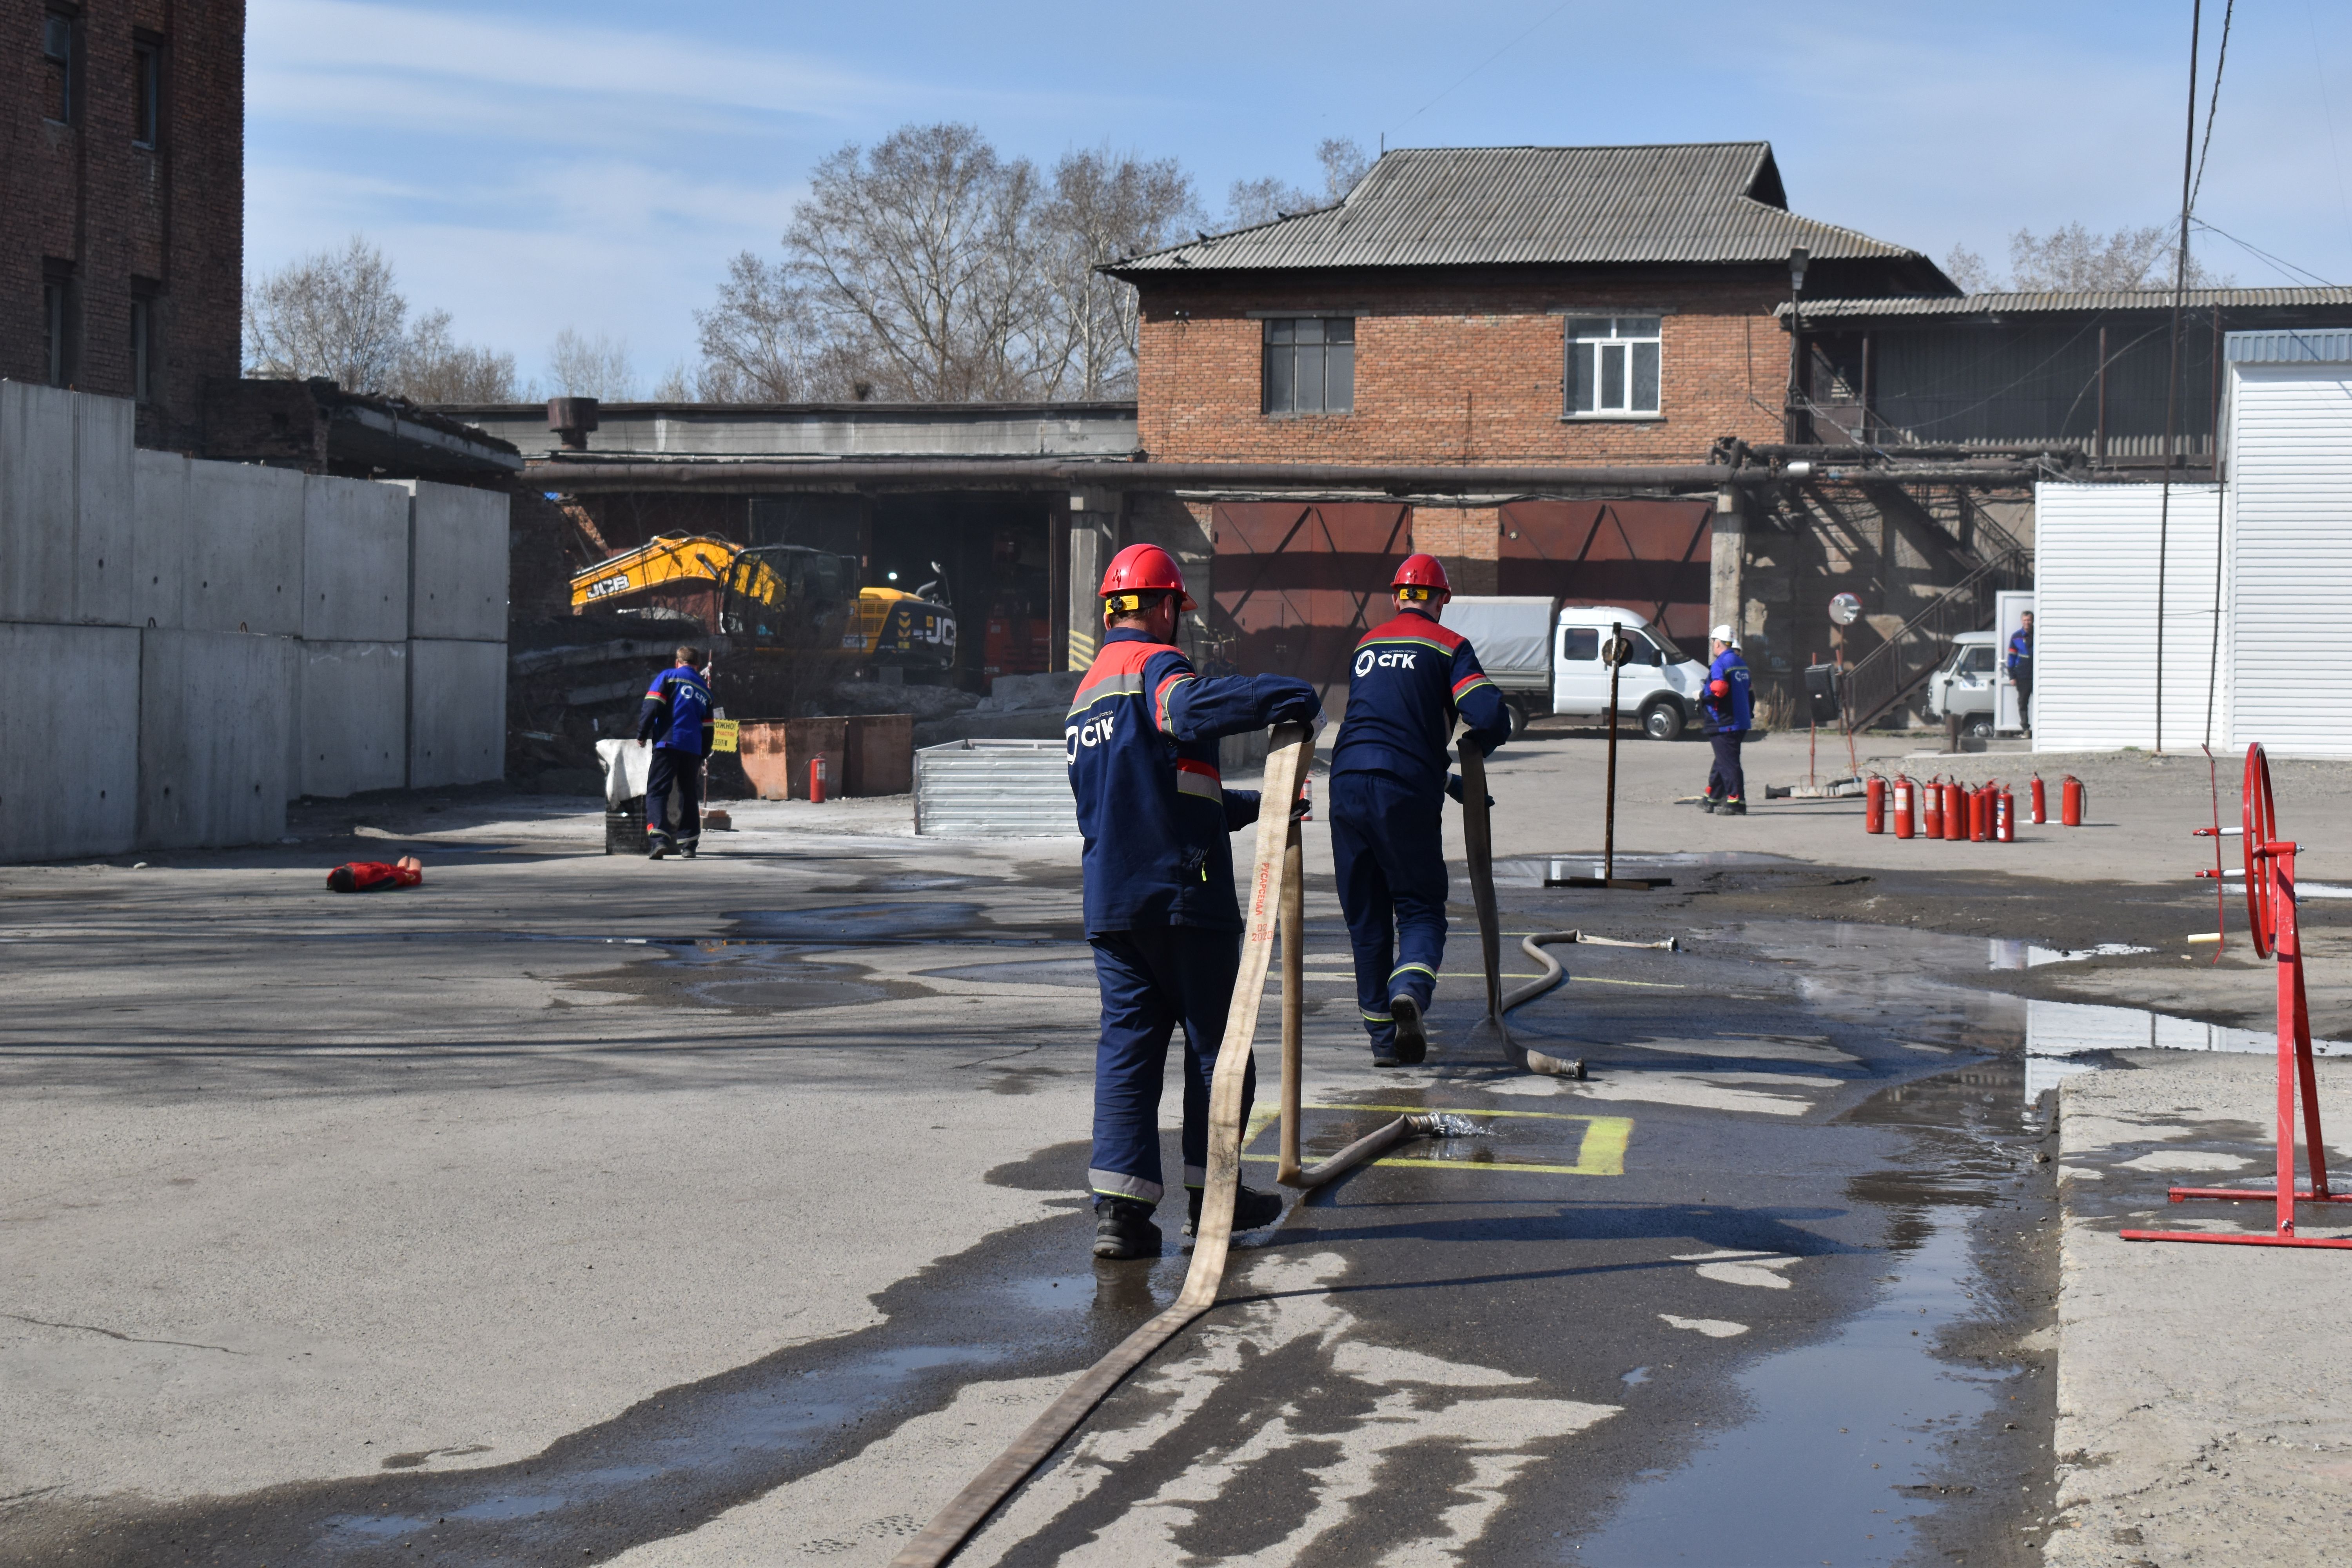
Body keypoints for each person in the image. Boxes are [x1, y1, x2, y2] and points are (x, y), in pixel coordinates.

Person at [1066, 543, 1323, 1260]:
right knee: (1220, 1048)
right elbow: (1190, 710)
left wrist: (1262, 806)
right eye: (1177, 608)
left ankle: (1121, 1215)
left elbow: (1159, 790)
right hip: (1184, 894)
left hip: (1113, 905)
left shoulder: (1088, 691)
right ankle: (1220, 1199)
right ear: (1160, 606)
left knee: (1129, 1047)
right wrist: (1285, 695)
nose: (1180, 622)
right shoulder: (1157, 668)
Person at [1327, 554, 1511, 1067]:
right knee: (1421, 908)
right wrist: (1480, 750)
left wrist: (1447, 781)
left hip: (1346, 785)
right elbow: (1487, 713)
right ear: (1441, 600)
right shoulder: (1448, 646)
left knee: (1366, 920)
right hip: (1403, 789)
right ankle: (1409, 989)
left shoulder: (1368, 644)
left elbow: (1383, 727)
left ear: (1396, 597)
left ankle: (1385, 1043)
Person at [637, 646, 714, 859]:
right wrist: (703, 754)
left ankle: (659, 840)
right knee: (689, 793)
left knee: (657, 791)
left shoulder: (668, 677)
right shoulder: (705, 690)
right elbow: (708, 727)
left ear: (677, 662)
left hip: (668, 744)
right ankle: (689, 844)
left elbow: (652, 706)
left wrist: (642, 733)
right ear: (698, 665)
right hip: (693, 749)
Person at [1701, 625, 1753, 816]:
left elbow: (1720, 689)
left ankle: (1736, 802)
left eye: (1713, 642)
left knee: (1728, 764)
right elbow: (1749, 690)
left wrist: (1703, 696)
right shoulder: (1741, 663)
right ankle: (1711, 799)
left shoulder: (1721, 664)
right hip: (1740, 721)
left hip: (1724, 722)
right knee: (1723, 761)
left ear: (1718, 643)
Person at [2007, 611, 2034, 734]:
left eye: (2029, 620)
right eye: (2025, 620)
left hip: (2038, 675)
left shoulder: (2039, 634)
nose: (2027, 623)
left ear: (2033, 621)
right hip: (2022, 675)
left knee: (2041, 702)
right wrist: (2012, 676)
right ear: (2021, 621)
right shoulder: (2016, 636)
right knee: (2023, 702)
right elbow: (2012, 657)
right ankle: (2026, 728)